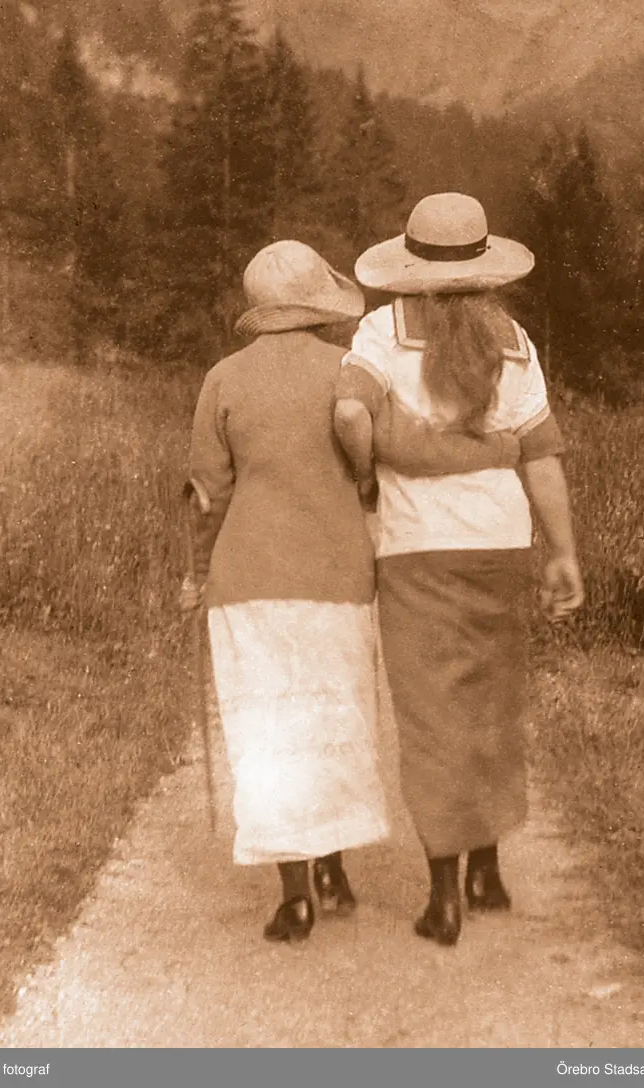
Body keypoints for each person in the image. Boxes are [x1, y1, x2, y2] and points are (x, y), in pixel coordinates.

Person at [179, 238, 526, 944]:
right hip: (339, 575)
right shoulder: (349, 369)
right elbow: (392, 447)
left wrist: (195, 573)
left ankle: (297, 897)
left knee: (268, 728)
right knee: (333, 721)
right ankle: (336, 873)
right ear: (318, 304)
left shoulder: (223, 378)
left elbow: (207, 494)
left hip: (248, 580)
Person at [334, 193, 584, 947]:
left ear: (409, 267)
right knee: (492, 704)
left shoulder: (381, 332)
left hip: (416, 548)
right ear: (485, 270)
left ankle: (444, 895)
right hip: (499, 544)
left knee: (432, 716)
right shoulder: (513, 340)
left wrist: (369, 472)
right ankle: (488, 872)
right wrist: (564, 551)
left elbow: (348, 414)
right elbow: (541, 453)